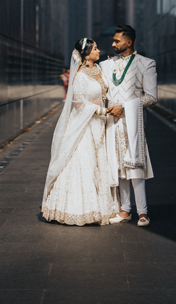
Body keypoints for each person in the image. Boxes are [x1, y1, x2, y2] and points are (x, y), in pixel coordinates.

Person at [42, 38, 120, 225]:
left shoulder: (99, 70)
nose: (98, 50)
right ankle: (80, 209)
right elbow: (78, 104)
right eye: (95, 49)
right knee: (84, 162)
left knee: (100, 162)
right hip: (84, 125)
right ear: (86, 54)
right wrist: (101, 110)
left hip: (100, 124)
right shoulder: (79, 76)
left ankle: (103, 208)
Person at [105, 24, 157, 227]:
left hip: (132, 122)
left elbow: (151, 97)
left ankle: (143, 212)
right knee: (118, 166)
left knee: (135, 165)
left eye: (117, 41)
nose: (113, 44)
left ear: (129, 42)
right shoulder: (107, 65)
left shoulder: (146, 63)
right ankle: (125, 210)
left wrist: (124, 108)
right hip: (112, 123)